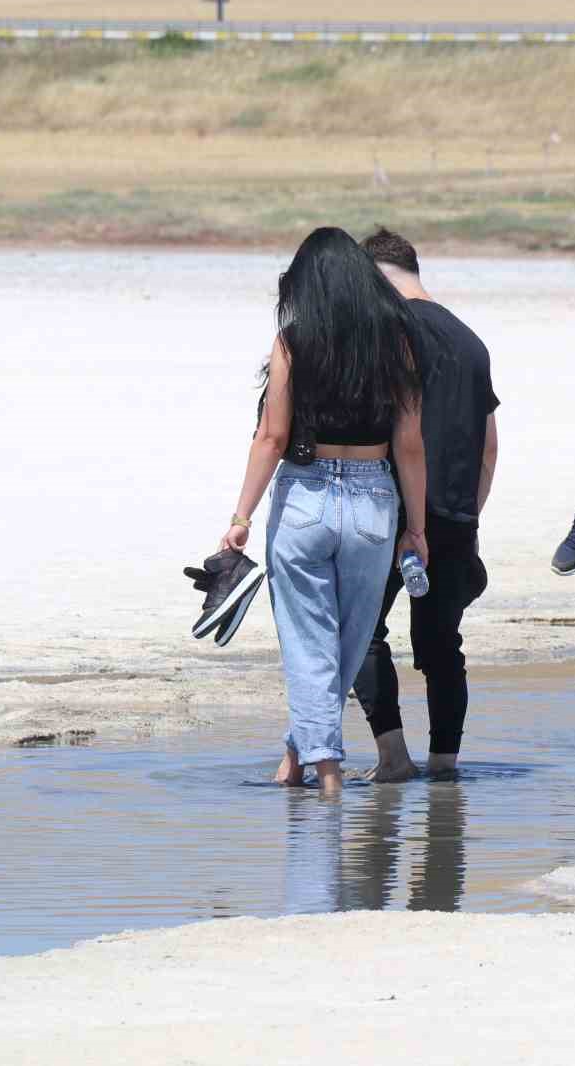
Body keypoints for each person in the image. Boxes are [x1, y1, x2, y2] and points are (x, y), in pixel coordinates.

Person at [220, 226, 429, 793]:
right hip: (373, 501)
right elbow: (409, 444)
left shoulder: (293, 341)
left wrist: (240, 517)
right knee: (345, 643)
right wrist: (417, 526)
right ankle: (299, 760)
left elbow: (272, 436)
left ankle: (326, 776)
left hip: (306, 498)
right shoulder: (398, 342)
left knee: (311, 644)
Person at [351, 228, 500, 782]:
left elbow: (390, 429)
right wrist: (466, 515)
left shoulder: (387, 333)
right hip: (457, 515)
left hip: (391, 510)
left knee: (361, 630)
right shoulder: (471, 341)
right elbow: (488, 447)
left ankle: (392, 755)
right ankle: (445, 764)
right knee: (442, 645)